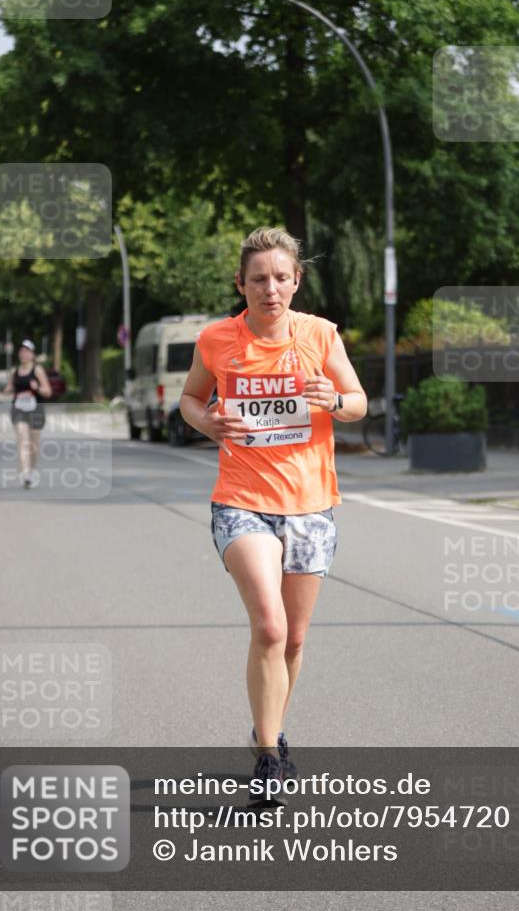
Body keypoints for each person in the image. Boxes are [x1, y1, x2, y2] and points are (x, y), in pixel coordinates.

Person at [180, 226, 367, 804]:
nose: (270, 288)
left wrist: (334, 401)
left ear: (296, 281)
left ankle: (272, 729)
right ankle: (268, 757)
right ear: (241, 284)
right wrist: (208, 422)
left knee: (294, 638)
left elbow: (359, 403)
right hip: (242, 501)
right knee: (270, 626)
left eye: (281, 278)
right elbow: (190, 398)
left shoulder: (320, 334)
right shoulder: (217, 339)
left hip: (311, 505)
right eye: (258, 279)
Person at [3, 339, 52, 488]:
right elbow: (9, 387)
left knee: (33, 445)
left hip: (36, 411)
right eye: (21, 351)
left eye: (26, 351)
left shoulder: (37, 370)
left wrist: (37, 388)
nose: (23, 354)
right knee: (22, 440)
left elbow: (48, 392)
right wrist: (8, 389)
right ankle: (25, 474)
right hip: (18, 410)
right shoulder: (14, 371)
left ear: (32, 355)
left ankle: (31, 470)